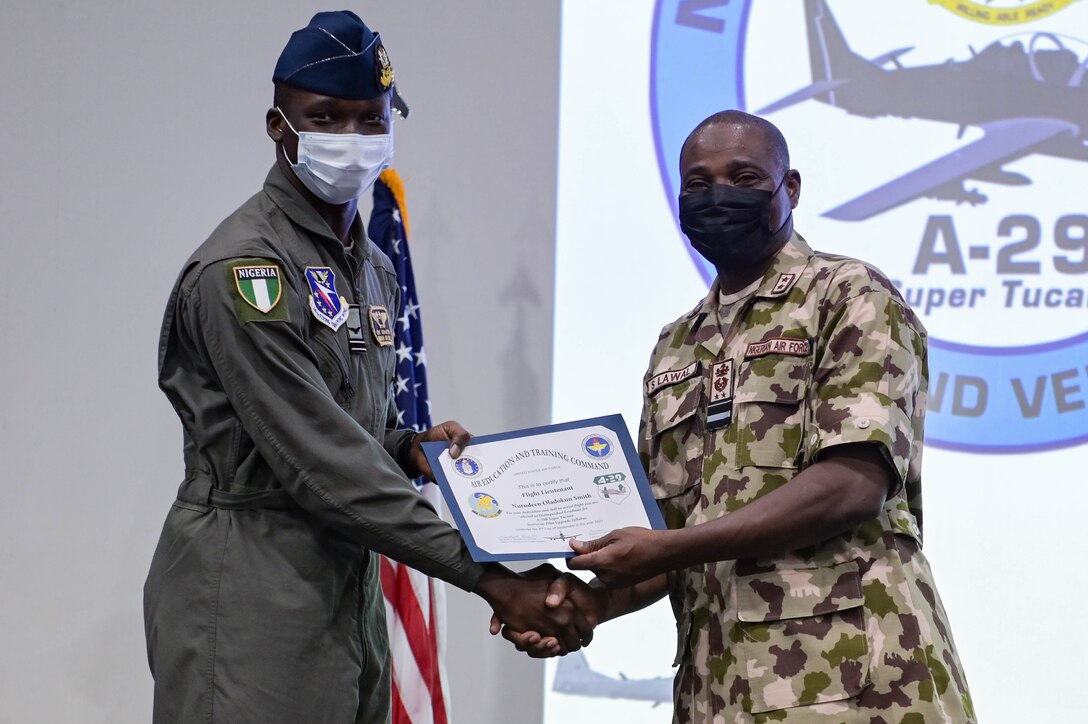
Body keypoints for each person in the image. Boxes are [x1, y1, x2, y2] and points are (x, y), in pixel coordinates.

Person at [143, 12, 594, 724]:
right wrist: (489, 576)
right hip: (254, 587)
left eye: (369, 118)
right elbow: (320, 462)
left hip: (345, 582)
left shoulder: (372, 267)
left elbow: (356, 430)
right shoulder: (246, 272)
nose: (350, 139)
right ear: (277, 125)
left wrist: (407, 447)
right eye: (325, 118)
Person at [500, 111, 975, 722]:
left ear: (791, 188)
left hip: (856, 685)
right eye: (697, 184)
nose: (717, 195)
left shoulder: (850, 295)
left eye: (743, 176)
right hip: (717, 691)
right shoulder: (677, 344)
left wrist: (668, 545)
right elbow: (664, 530)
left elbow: (852, 486)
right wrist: (589, 604)